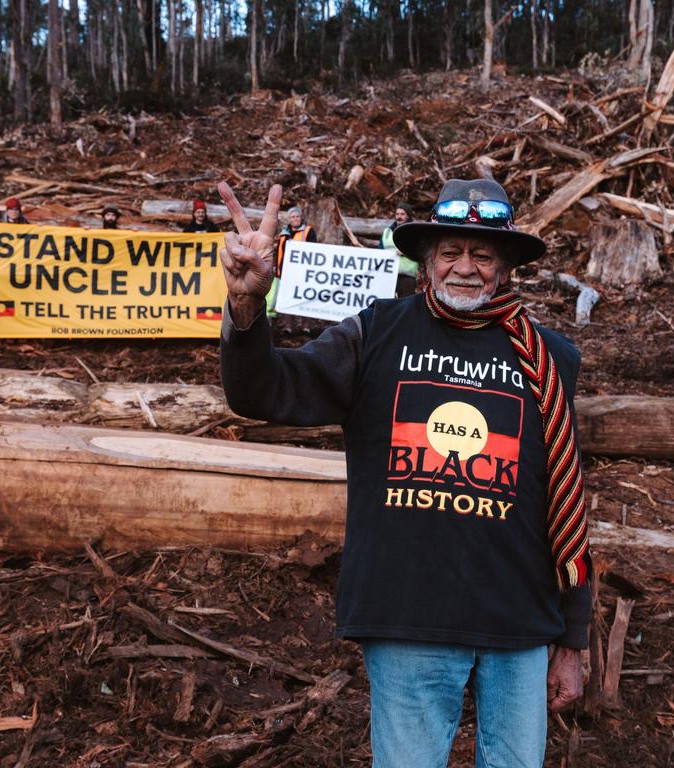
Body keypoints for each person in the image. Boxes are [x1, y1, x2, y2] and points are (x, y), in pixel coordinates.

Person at [216, 178, 591, 768]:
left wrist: (571, 639)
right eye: (449, 252)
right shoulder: (375, 335)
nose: (465, 267)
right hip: (408, 615)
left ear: (507, 268)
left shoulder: (551, 359)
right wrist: (245, 306)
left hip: (519, 624)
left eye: (483, 254)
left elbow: (565, 500)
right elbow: (265, 391)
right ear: (425, 261)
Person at [268, 205, 317, 317]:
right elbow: (279, 251)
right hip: (284, 271)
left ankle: (304, 325)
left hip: (301, 272)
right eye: (293, 217)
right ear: (289, 219)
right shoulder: (284, 233)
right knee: (285, 297)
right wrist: (276, 267)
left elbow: (314, 250)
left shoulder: (308, 231)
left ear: (301, 218)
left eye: (297, 216)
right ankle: (285, 323)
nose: (295, 219)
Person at [380, 203, 419, 297]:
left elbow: (419, 251)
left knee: (406, 305)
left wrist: (406, 252)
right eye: (397, 214)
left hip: (407, 276)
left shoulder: (414, 232)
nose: (399, 217)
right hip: (389, 274)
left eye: (402, 214)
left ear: (408, 216)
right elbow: (380, 250)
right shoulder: (387, 232)